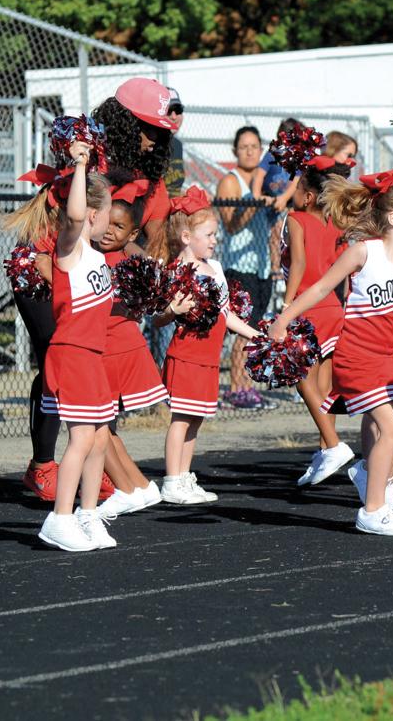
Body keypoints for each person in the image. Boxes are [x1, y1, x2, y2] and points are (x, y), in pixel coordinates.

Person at [270, 174, 393, 536]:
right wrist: (283, 318)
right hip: (356, 357)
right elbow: (320, 287)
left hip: (391, 360)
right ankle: (372, 511)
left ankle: (369, 469)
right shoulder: (365, 252)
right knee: (391, 428)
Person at [150, 187, 263, 504]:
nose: (215, 240)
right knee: (181, 418)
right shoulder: (175, 270)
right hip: (186, 355)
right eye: (209, 234)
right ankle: (171, 479)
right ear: (187, 236)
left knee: (196, 418)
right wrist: (174, 310)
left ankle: (184, 477)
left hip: (210, 356)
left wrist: (255, 335)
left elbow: (226, 314)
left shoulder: (216, 269)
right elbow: (157, 318)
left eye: (215, 235)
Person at [36, 144, 118, 552]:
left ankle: (88, 513)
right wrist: (82, 165)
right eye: (109, 211)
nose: (112, 220)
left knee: (100, 437)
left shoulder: (99, 258)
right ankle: (60, 518)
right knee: (82, 438)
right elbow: (72, 216)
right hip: (71, 354)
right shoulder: (71, 248)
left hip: (92, 357)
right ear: (93, 212)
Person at [95, 177, 167, 520]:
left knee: (93, 425)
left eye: (118, 227)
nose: (109, 231)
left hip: (112, 348)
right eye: (106, 222)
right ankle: (138, 486)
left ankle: (126, 488)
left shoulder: (122, 257)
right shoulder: (103, 251)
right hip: (104, 346)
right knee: (102, 426)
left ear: (132, 233)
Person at [283, 156, 355, 486]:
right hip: (333, 308)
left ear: (309, 196)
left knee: (299, 376)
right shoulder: (335, 222)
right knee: (324, 387)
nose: (293, 193)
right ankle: (325, 450)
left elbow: (298, 264)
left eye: (298, 189)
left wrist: (287, 308)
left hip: (307, 307)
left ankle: (335, 446)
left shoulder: (296, 218)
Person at [217, 126, 275, 410]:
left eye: (255, 146)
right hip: (239, 266)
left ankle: (249, 386)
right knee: (242, 328)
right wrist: (252, 203)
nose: (250, 152)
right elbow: (230, 224)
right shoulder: (232, 181)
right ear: (235, 151)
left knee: (256, 328)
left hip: (263, 267)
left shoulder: (265, 180)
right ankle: (236, 387)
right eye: (244, 147)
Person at [93, 78, 177, 243]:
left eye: (159, 130)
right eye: (148, 128)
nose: (154, 138)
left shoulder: (152, 179)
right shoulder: (87, 166)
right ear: (124, 124)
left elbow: (159, 242)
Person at [163, 87, 186, 193]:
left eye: (178, 110)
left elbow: (174, 189)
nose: (174, 117)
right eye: (168, 111)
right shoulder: (149, 145)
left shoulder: (177, 145)